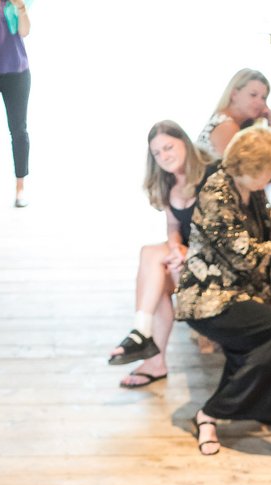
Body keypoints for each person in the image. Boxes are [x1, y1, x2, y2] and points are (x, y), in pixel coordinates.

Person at [174, 128, 271, 466]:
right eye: (270, 170)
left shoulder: (247, 188)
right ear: (250, 167)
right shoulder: (216, 194)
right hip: (209, 296)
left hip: (240, 291)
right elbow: (246, 256)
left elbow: (264, 224)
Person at [107, 122, 215, 390]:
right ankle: (150, 350)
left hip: (215, 261)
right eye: (157, 153)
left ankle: (143, 335)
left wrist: (188, 251)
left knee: (150, 256)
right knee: (154, 273)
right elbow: (173, 227)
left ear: (184, 142)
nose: (164, 156)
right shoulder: (167, 180)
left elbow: (224, 234)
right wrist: (176, 247)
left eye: (169, 147)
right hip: (187, 260)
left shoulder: (211, 174)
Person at [0, 0, 31, 207]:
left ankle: (20, 189)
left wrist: (21, 7)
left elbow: (25, 31)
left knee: (19, 131)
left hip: (17, 72)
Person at [198, 68, 271, 161]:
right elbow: (251, 169)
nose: (259, 102)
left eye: (263, 98)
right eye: (253, 95)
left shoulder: (231, 122)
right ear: (234, 94)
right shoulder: (227, 126)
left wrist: (269, 124)